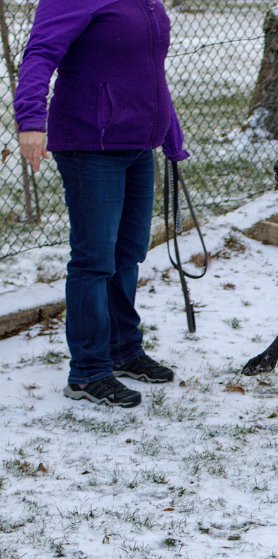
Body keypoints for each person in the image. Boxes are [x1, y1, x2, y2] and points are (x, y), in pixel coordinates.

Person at [14, 0, 189, 408]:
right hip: (89, 142)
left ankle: (123, 349)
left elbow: (151, 73)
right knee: (95, 260)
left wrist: (171, 135)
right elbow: (40, 53)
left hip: (137, 145)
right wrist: (30, 120)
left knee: (128, 254)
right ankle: (89, 371)